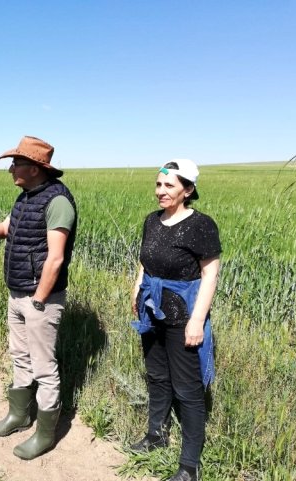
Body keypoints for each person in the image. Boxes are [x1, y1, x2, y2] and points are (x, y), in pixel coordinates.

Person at [0, 136, 77, 460]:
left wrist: (39, 299)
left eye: (16, 163)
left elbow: (56, 258)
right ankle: (19, 415)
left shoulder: (58, 201)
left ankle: (45, 434)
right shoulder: (26, 198)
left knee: (44, 367)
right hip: (17, 293)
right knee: (20, 357)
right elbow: (4, 230)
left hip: (40, 299)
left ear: (36, 168)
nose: (11, 169)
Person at [129, 159, 221, 481]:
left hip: (183, 315)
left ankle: (189, 466)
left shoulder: (201, 225)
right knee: (157, 377)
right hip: (151, 310)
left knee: (187, 389)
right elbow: (145, 261)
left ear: (188, 190)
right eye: (158, 184)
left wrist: (197, 320)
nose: (161, 191)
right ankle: (156, 436)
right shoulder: (151, 221)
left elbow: (210, 275)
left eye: (169, 185)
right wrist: (136, 290)